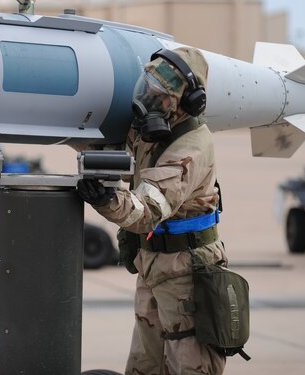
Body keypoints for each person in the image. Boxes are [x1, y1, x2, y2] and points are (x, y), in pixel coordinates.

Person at [77, 46, 227, 375]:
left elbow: (147, 211)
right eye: (147, 89)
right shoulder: (152, 131)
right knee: (145, 364)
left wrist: (106, 200)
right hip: (155, 262)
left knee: (189, 364)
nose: (148, 101)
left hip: (187, 270)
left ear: (189, 104)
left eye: (160, 97)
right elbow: (117, 154)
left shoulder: (190, 148)